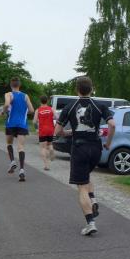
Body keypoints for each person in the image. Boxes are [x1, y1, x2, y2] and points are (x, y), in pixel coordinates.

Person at [53, 76, 115, 236]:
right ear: (92, 89)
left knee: (81, 186)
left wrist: (68, 133)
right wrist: (108, 143)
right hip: (96, 148)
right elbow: (112, 124)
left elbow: (57, 131)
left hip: (79, 148)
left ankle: (90, 223)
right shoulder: (100, 106)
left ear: (77, 90)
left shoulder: (69, 107)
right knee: (86, 176)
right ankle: (92, 199)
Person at [1, 77, 34, 181]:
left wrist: (3, 111)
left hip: (11, 124)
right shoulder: (25, 96)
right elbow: (32, 110)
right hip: (22, 124)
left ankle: (12, 162)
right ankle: (22, 170)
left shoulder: (8, 94)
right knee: (21, 147)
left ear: (11, 85)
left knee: (9, 143)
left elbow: (7, 104)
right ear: (19, 85)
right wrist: (23, 112)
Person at [34, 95, 56, 170]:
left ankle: (46, 165)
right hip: (50, 129)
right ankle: (51, 150)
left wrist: (36, 128)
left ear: (40, 101)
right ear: (47, 101)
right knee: (50, 144)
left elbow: (34, 121)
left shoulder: (38, 110)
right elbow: (57, 117)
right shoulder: (51, 109)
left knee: (43, 148)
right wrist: (52, 117)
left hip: (42, 130)